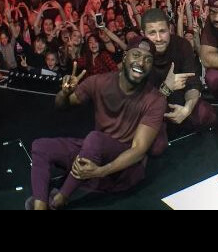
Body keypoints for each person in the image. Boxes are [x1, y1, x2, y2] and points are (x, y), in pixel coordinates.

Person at [26, 37, 166, 210]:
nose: (141, 62)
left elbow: (138, 150)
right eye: (136, 55)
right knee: (41, 146)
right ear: (124, 58)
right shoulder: (99, 81)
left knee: (95, 140)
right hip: (92, 153)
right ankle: (40, 207)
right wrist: (64, 93)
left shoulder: (155, 99)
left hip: (122, 171)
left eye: (148, 59)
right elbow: (61, 106)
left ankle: (60, 199)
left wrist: (101, 171)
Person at [140, 8, 218, 148]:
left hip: (181, 100)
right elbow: (139, 101)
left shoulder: (182, 45)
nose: (159, 38)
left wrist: (187, 109)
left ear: (170, 29)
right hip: (154, 109)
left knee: (207, 115)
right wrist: (165, 88)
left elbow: (193, 82)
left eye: (163, 31)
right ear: (143, 34)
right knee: (156, 145)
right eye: (152, 33)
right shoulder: (138, 54)